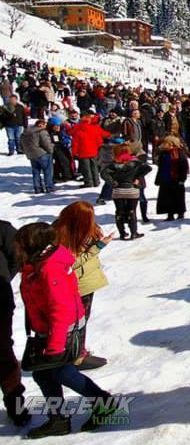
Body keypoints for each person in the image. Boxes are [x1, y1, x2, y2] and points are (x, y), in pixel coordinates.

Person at [16, 222, 115, 438]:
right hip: (48, 328)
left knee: (61, 371)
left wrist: (56, 344)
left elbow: (60, 308)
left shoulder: (50, 268)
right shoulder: (38, 262)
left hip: (61, 330)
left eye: (20, 245)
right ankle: (58, 418)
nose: (17, 249)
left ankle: (103, 401)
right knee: (43, 374)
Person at [54, 201, 114, 370]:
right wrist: (98, 248)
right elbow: (71, 264)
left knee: (80, 320)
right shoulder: (63, 236)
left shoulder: (77, 230)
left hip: (86, 281)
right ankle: (77, 356)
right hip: (79, 285)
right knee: (78, 321)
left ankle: (77, 351)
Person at [0, 220, 27, 427]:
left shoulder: (2, 228)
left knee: (3, 352)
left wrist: (4, 279)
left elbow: (17, 256)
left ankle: (15, 406)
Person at [101, 144, 152, 239]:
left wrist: (112, 182)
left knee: (119, 212)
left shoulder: (113, 165)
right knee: (132, 211)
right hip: (132, 190)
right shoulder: (135, 162)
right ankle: (134, 233)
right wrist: (137, 177)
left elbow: (103, 174)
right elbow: (148, 168)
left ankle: (122, 233)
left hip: (118, 190)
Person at [70, 112, 110, 189]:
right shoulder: (94, 128)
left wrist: (74, 152)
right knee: (94, 166)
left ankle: (89, 182)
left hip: (83, 152)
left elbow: (75, 143)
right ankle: (96, 181)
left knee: (86, 168)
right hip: (94, 151)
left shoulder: (78, 130)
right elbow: (100, 139)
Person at [155, 135, 189, 221]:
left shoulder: (179, 152)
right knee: (167, 197)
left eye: (166, 143)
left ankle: (180, 213)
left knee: (178, 196)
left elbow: (184, 166)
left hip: (176, 178)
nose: (164, 145)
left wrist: (182, 179)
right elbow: (160, 166)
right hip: (165, 178)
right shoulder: (163, 153)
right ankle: (170, 214)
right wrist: (158, 178)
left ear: (172, 144)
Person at [21, 118, 55, 194]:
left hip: (31, 155)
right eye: (45, 124)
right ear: (40, 124)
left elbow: (21, 144)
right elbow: (46, 143)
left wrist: (26, 152)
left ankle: (37, 188)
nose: (46, 126)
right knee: (47, 171)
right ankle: (49, 187)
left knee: (36, 172)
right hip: (42, 154)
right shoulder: (41, 132)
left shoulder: (25, 132)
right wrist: (51, 151)